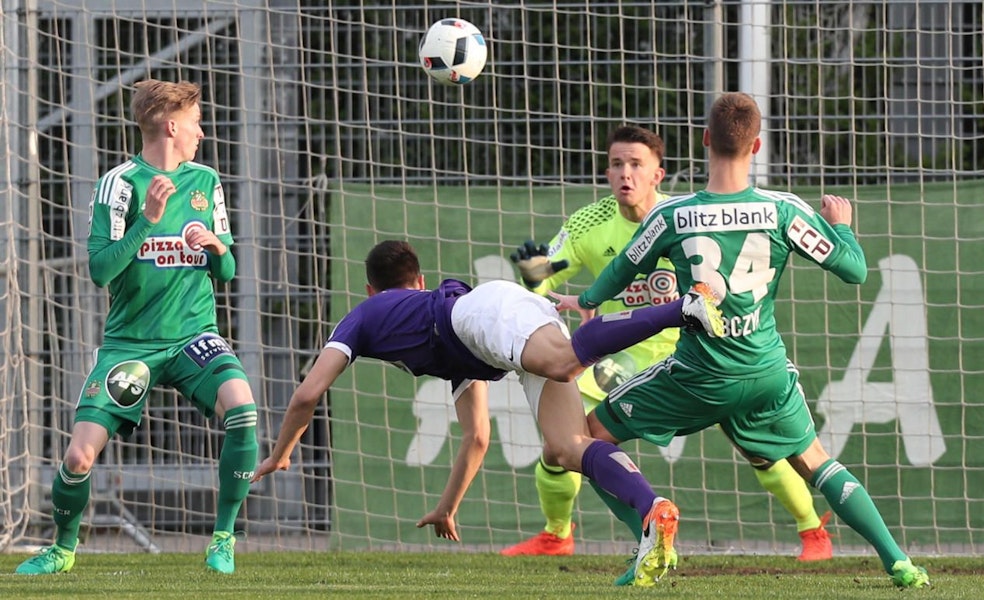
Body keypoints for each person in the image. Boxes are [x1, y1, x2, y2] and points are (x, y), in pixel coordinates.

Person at [557, 92, 930, 589]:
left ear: (706, 140)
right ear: (756, 145)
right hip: (764, 373)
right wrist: (843, 229)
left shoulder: (672, 217)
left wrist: (584, 299)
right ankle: (898, 562)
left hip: (696, 375)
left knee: (583, 439)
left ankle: (648, 539)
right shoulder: (782, 211)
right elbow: (855, 271)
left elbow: (611, 282)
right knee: (815, 460)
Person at [251, 239, 723, 587]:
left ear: (372, 290)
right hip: (494, 327)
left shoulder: (364, 316)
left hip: (488, 316)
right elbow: (477, 435)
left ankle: (682, 307)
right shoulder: (438, 344)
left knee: (563, 361)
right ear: (418, 281)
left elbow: (306, 394)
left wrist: (281, 451)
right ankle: (651, 513)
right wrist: (447, 507)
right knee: (566, 447)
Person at [503, 125, 833, 572]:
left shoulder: (682, 217)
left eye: (636, 164)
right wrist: (532, 271)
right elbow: (547, 278)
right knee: (562, 444)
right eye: (617, 164)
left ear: (659, 173)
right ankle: (556, 535)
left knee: (763, 450)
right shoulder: (588, 223)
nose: (626, 174)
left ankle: (813, 530)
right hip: (622, 357)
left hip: (700, 352)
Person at [15, 80, 258, 576]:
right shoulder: (120, 185)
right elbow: (101, 270)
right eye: (194, 122)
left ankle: (223, 538)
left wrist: (216, 248)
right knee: (80, 457)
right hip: (133, 346)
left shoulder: (206, 181)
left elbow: (228, 272)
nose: (201, 131)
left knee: (244, 410)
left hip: (194, 337)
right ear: (171, 126)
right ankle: (62, 549)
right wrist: (148, 221)